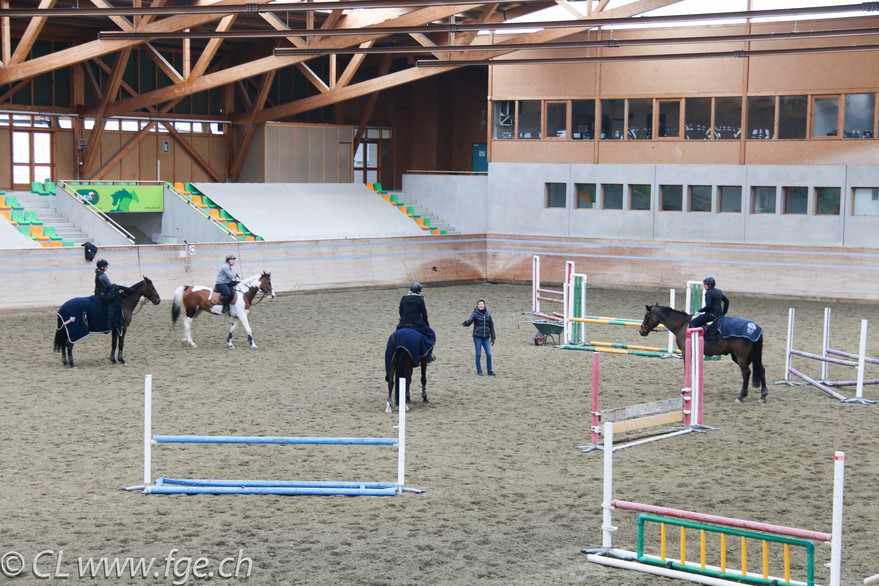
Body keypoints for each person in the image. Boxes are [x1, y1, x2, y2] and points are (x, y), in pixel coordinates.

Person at [397, 282, 436, 361]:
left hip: (404, 323)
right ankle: (429, 355)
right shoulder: (420, 299)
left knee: (396, 336)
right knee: (431, 335)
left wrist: (402, 320)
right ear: (418, 291)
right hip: (416, 324)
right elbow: (424, 314)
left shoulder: (403, 298)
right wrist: (426, 323)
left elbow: (401, 312)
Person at [462, 299, 496, 376]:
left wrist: (493, 336)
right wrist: (466, 323)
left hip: (486, 337)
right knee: (478, 354)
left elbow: (491, 326)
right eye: (479, 304)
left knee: (489, 354)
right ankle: (479, 370)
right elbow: (470, 321)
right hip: (477, 337)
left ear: (484, 305)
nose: (480, 305)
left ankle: (490, 370)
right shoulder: (475, 314)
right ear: (477, 306)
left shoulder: (488, 315)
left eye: (482, 304)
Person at [94, 259, 124, 331]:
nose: (107, 267)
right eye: (106, 266)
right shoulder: (102, 275)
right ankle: (110, 323)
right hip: (102, 295)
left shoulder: (99, 274)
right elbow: (110, 286)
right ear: (102, 267)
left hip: (98, 294)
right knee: (113, 303)